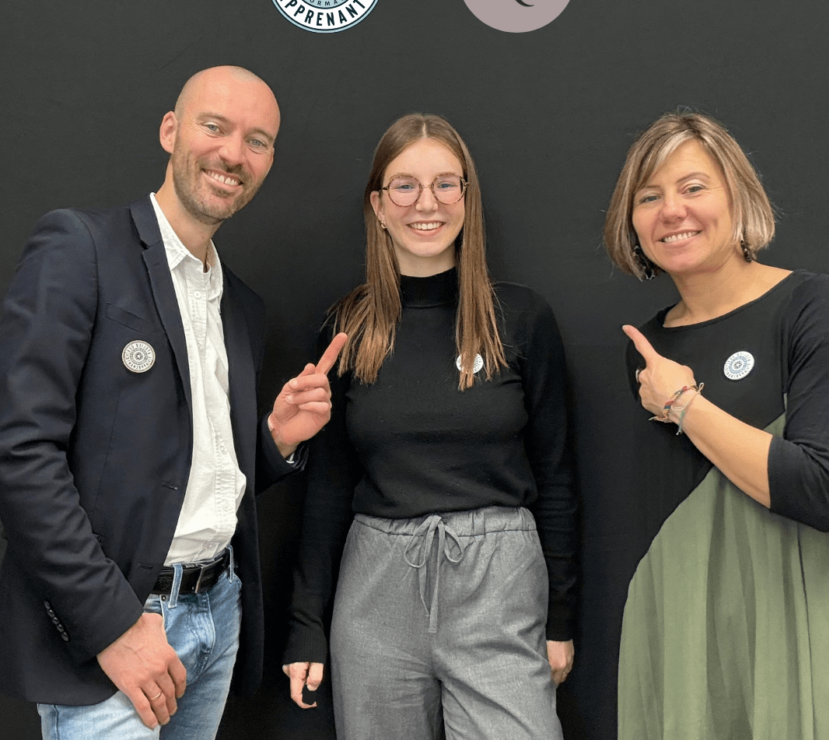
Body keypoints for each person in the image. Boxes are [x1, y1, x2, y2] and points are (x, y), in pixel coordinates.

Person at [0, 65, 346, 739]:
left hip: (218, 615)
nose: (232, 154)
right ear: (170, 130)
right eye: (214, 127)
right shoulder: (82, 249)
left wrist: (273, 440)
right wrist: (113, 626)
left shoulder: (241, 306)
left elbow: (176, 467)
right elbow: (19, 454)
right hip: (113, 632)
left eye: (257, 141)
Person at [281, 113, 576, 739]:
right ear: (378, 206)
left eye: (446, 184)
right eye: (405, 186)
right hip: (377, 587)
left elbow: (556, 476)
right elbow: (328, 487)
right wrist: (307, 622)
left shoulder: (519, 318)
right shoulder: (348, 329)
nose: (427, 204)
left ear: (467, 198)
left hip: (499, 583)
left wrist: (561, 620)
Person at [603, 111, 829, 739]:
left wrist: (684, 402)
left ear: (737, 196)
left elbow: (822, 490)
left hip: (799, 622)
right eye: (648, 197)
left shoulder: (813, 305)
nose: (671, 211)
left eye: (693, 187)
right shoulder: (647, 348)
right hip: (685, 626)